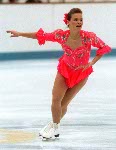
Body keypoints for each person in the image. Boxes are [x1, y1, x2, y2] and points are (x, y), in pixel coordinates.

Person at [7, 8, 111, 140]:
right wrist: (20, 33)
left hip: (81, 74)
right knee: (56, 100)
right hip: (64, 70)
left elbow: (103, 47)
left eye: (81, 20)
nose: (79, 22)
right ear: (68, 22)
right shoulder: (61, 35)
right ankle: (55, 128)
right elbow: (41, 35)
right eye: (75, 20)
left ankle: (53, 125)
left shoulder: (88, 37)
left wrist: (92, 63)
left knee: (63, 104)